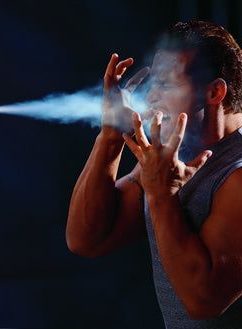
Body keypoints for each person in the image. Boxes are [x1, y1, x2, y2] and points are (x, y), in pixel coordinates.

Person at [66, 20, 242, 328]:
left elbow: (203, 302)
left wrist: (162, 195)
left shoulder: (236, 174)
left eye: (167, 84)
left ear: (215, 91)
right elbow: (87, 239)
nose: (150, 99)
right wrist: (110, 137)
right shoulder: (171, 157)